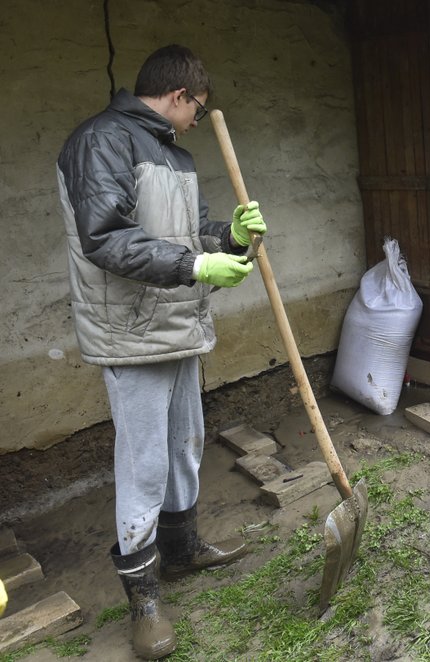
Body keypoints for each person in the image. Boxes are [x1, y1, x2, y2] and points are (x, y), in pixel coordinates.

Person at [56, 45, 265, 660]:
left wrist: (229, 236)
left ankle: (182, 551)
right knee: (143, 463)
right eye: (197, 108)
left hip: (177, 322)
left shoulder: (174, 154)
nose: (198, 120)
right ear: (179, 96)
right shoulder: (101, 142)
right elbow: (105, 238)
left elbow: (191, 236)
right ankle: (144, 603)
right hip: (130, 330)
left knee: (184, 445)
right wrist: (198, 263)